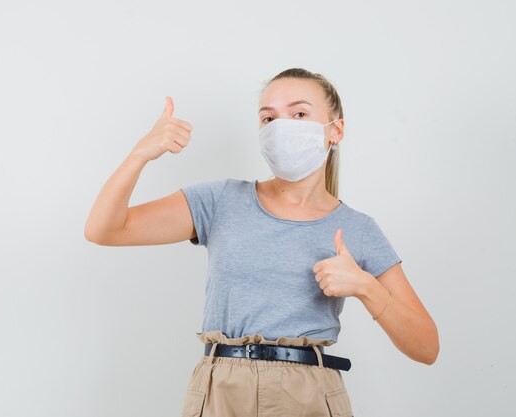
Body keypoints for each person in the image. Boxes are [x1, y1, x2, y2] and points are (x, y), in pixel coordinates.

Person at [84, 67, 439, 417]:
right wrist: (140, 155)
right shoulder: (220, 200)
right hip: (221, 387)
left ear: (336, 130)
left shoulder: (357, 229)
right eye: (268, 118)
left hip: (310, 393)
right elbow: (105, 229)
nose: (282, 127)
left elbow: (426, 347)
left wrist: (365, 287)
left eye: (299, 113)